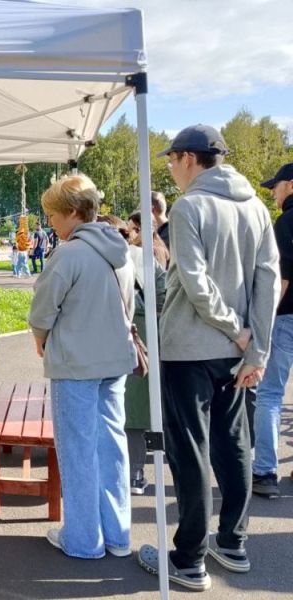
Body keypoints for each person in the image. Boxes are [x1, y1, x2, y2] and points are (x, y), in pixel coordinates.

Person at [137, 125, 279, 590]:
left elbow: (197, 285)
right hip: (236, 353)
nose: (170, 169)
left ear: (188, 158)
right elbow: (268, 282)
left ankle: (190, 558)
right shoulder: (256, 207)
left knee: (190, 450)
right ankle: (233, 542)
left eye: (171, 160)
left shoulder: (190, 206)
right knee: (234, 446)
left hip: (190, 348)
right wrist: (255, 346)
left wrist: (237, 331)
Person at [29, 174, 135, 561]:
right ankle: (118, 534)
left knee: (77, 451)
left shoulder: (70, 254)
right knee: (112, 447)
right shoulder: (120, 249)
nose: (51, 223)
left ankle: (83, 539)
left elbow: (42, 310)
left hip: (76, 363)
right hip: (115, 361)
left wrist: (40, 335)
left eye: (54, 215)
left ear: (72, 213)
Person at [251, 162, 293, 498]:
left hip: (287, 317)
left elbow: (281, 279)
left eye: (276, 187)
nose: (273, 193)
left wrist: (262, 320)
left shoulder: (287, 222)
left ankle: (265, 471)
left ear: (290, 185)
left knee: (270, 394)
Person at [122, 211, 167, 495]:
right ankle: (136, 472)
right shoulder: (154, 255)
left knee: (132, 413)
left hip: (133, 336)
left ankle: (134, 473)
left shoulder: (141, 257)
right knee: (139, 410)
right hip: (149, 336)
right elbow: (164, 297)